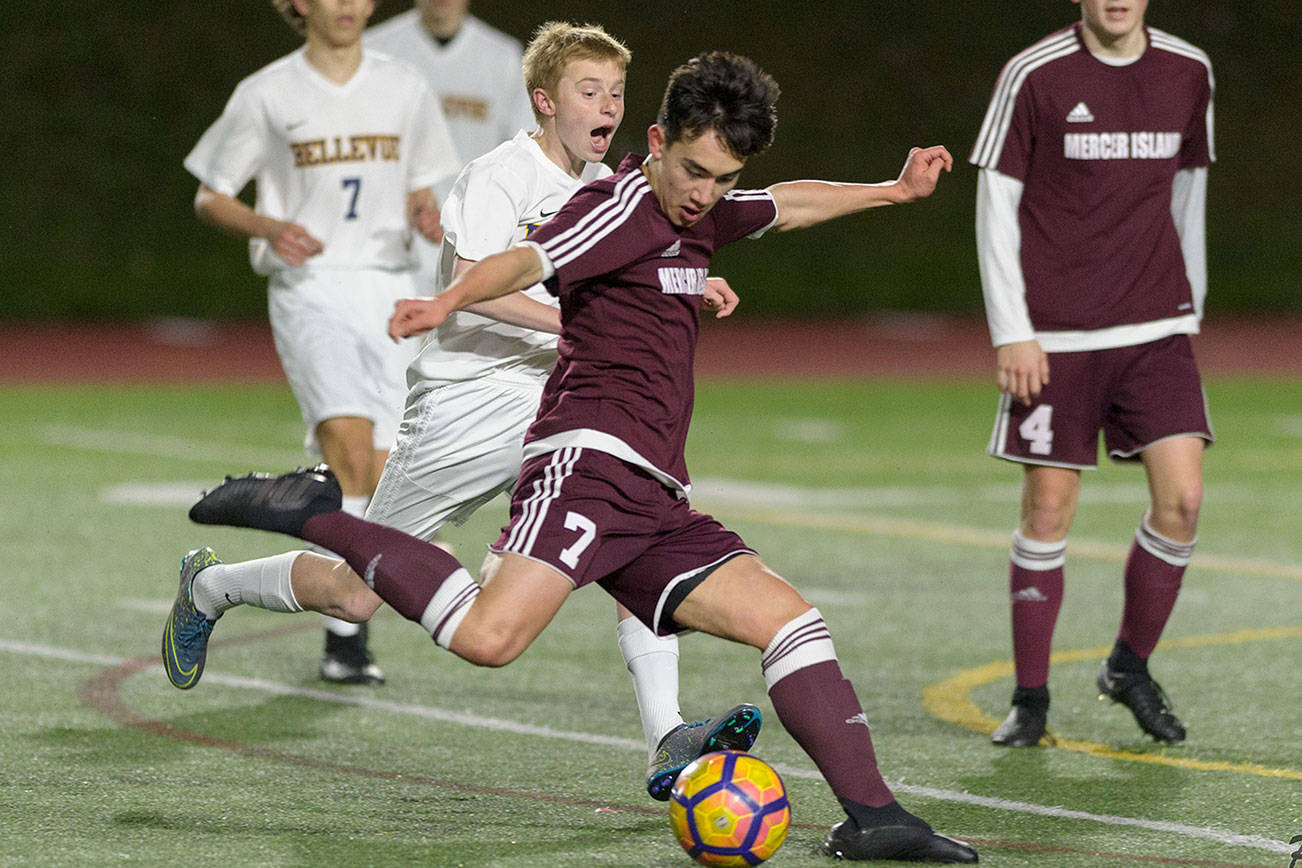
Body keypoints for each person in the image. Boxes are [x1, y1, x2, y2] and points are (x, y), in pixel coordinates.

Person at [173, 51, 976, 861]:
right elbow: (531, 259)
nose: (705, 193)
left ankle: (875, 819)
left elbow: (786, 204)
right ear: (656, 141)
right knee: (488, 637)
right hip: (586, 465)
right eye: (693, 170)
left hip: (654, 497)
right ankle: (317, 513)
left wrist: (893, 190)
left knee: (793, 625)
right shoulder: (620, 202)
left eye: (722, 179)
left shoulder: (703, 211)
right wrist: (447, 299)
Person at [170, 20, 758, 800]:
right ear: (546, 101)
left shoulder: (625, 188)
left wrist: (688, 288)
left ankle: (664, 736)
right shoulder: (497, 176)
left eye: (617, 91)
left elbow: (657, 268)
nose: (607, 104)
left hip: (565, 408)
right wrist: (578, 319)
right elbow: (480, 284)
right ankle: (213, 588)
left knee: (632, 532)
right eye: (590, 90)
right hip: (467, 403)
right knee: (356, 591)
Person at [182, 0, 461, 685]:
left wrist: (426, 212)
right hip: (310, 286)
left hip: (392, 285)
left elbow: (427, 185)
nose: (347, 5)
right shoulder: (269, 91)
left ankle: (337, 624)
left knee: (388, 469)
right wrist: (267, 226)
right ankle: (349, 640)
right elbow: (210, 195)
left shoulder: (405, 85)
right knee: (349, 446)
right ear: (297, 5)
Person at [970, 0, 1214, 747]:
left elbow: (1187, 191)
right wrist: (1013, 331)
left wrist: (1189, 305)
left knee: (1184, 500)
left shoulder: (1189, 70)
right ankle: (1031, 698)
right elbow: (995, 204)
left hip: (1155, 326)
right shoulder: (1033, 73)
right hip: (1056, 336)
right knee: (1048, 512)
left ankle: (1129, 666)